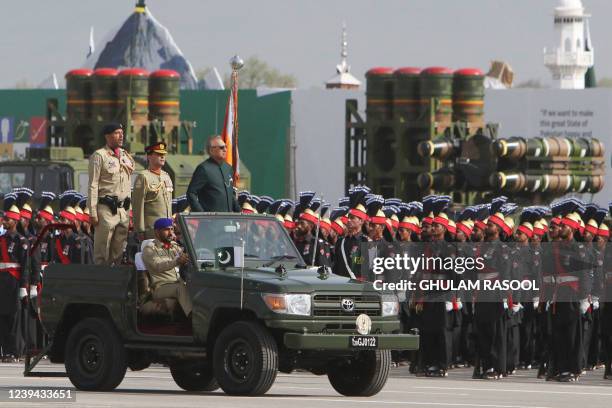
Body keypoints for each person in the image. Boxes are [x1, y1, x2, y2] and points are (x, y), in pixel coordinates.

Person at [88, 123, 135, 265]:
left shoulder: (126, 156)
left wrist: (130, 211)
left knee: (118, 252)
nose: (121, 136)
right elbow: (93, 185)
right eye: (117, 133)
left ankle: (114, 283)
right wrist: (93, 212)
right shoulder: (99, 156)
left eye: (122, 132)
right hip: (106, 209)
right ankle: (101, 283)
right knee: (102, 251)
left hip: (123, 210)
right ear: (107, 136)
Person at [142, 218, 192, 318]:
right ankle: (194, 317)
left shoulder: (174, 246)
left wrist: (187, 258)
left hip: (178, 283)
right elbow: (158, 266)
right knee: (180, 288)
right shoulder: (149, 249)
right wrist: (177, 261)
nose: (170, 233)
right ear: (157, 232)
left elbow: (185, 258)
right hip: (161, 287)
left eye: (172, 229)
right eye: (166, 230)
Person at [186, 135, 240, 213]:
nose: (225, 149)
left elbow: (230, 194)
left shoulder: (228, 168)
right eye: (221, 147)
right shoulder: (203, 169)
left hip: (228, 219)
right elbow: (191, 193)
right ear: (211, 150)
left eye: (226, 147)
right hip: (210, 222)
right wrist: (201, 214)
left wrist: (239, 212)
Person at [132, 142, 173, 240]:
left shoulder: (166, 176)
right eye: (158, 154)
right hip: (152, 230)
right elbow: (138, 205)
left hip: (167, 229)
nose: (162, 157)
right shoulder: (143, 177)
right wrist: (140, 230)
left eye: (163, 154)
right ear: (149, 156)